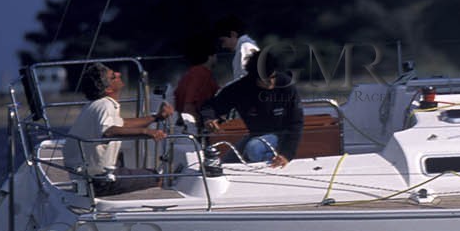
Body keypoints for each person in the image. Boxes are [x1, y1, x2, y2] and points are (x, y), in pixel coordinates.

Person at [64, 63, 174, 196]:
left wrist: (156, 117)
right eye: (113, 76)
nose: (119, 74)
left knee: (134, 168)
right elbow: (110, 131)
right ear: (109, 89)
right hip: (101, 182)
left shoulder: (94, 105)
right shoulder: (106, 105)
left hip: (86, 179)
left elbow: (123, 125)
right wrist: (147, 132)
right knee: (159, 177)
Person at [198, 50, 304, 168]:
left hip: (282, 135)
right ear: (254, 78)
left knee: (254, 148)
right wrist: (209, 118)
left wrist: (287, 154)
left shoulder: (286, 85)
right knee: (226, 165)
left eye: (273, 76)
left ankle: (270, 170)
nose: (271, 82)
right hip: (256, 135)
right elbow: (210, 106)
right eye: (265, 79)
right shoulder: (241, 89)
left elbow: (296, 123)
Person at [172, 37, 220, 121]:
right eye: (215, 54)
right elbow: (188, 106)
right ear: (210, 56)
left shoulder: (192, 73)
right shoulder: (200, 74)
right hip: (197, 125)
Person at [214, 15, 260, 81]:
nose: (223, 46)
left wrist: (225, 90)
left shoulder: (246, 47)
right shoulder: (244, 47)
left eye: (223, 41)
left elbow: (247, 79)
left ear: (233, 34)